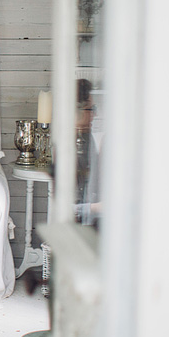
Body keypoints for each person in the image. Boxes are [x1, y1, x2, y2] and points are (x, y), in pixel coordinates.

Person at [75, 78, 102, 226]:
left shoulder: (88, 137)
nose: (95, 115)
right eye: (91, 109)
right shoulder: (69, 148)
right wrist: (97, 208)